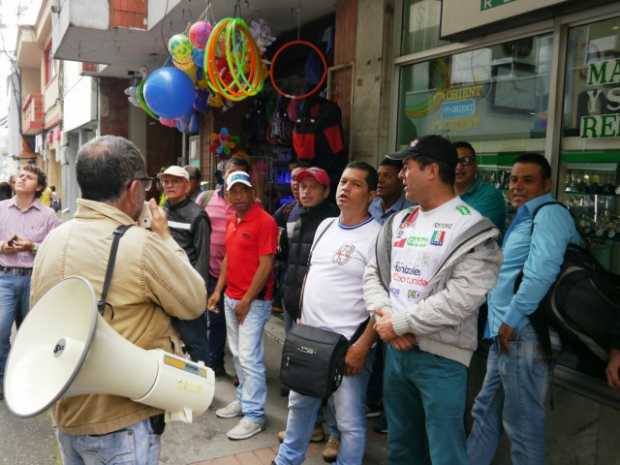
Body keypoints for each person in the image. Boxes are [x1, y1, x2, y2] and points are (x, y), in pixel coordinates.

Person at [29, 135, 207, 464]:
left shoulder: (52, 240)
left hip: (68, 414)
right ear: (133, 188)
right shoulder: (140, 244)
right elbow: (194, 300)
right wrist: (165, 237)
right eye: (146, 183)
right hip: (122, 420)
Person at [363, 135, 502, 465]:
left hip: (442, 361)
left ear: (432, 170)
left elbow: (462, 298)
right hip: (395, 354)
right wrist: (387, 319)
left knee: (445, 453)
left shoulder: (473, 228)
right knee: (402, 448)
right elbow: (373, 276)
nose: (401, 175)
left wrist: (400, 323)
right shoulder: (398, 221)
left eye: (407, 167)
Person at [467, 153, 580, 465]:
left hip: (524, 333)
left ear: (546, 184)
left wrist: (512, 320)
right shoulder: (524, 217)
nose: (517, 186)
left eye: (527, 180)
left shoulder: (550, 214)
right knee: (485, 412)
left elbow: (541, 271)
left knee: (523, 425)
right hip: (507, 333)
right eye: (514, 179)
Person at [273, 161, 381, 465]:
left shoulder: (377, 236)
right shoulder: (325, 226)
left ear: (372, 194)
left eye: (356, 184)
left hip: (347, 344)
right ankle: (286, 460)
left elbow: (383, 300)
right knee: (299, 406)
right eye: (343, 181)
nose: (345, 188)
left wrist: (363, 345)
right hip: (310, 338)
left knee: (348, 421)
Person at [208, 171, 278, 440]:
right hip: (231, 297)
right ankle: (243, 400)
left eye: (242, 191)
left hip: (254, 302)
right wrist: (218, 291)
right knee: (237, 354)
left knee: (250, 358)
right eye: (232, 192)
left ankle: (255, 415)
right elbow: (227, 259)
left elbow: (266, 264)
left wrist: (247, 300)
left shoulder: (265, 221)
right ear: (226, 195)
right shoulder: (232, 220)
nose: (237, 197)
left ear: (252, 192)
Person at [275, 166, 340, 456]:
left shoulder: (334, 220)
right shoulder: (292, 214)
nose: (306, 191)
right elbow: (288, 257)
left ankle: (334, 433)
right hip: (293, 304)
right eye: (302, 186)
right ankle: (309, 427)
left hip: (321, 309)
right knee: (302, 369)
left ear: (326, 191)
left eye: (313, 186)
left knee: (328, 370)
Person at [0, 165, 59, 399]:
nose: (22, 179)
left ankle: (29, 378)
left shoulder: (48, 215)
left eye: (29, 177)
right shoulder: (1, 209)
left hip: (34, 279)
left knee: (32, 334)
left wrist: (31, 246)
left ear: (40, 186)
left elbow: (56, 248)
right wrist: (3, 247)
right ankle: (4, 380)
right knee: (0, 332)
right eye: (20, 175)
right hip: (4, 277)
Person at [203, 157, 251, 377]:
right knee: (215, 322)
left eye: (241, 173)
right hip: (213, 271)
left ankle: (243, 373)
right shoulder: (206, 198)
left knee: (239, 327)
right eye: (231, 172)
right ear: (223, 175)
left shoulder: (250, 205)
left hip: (239, 277)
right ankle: (215, 364)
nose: (235, 177)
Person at [159, 165, 211, 364]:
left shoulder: (197, 215)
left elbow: (202, 258)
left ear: (187, 185)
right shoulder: (161, 211)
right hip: (163, 287)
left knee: (195, 341)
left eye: (175, 181)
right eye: (166, 181)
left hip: (188, 289)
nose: (169, 185)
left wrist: (197, 293)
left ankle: (203, 387)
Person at [453, 141, 506, 232]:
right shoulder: (441, 194)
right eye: (453, 161)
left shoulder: (490, 196)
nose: (459, 167)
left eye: (465, 161)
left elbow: (470, 232)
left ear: (475, 164)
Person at [369, 158, 412, 225]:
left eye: (387, 176)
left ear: (401, 180)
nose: (379, 180)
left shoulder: (410, 211)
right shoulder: (369, 204)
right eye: (378, 175)